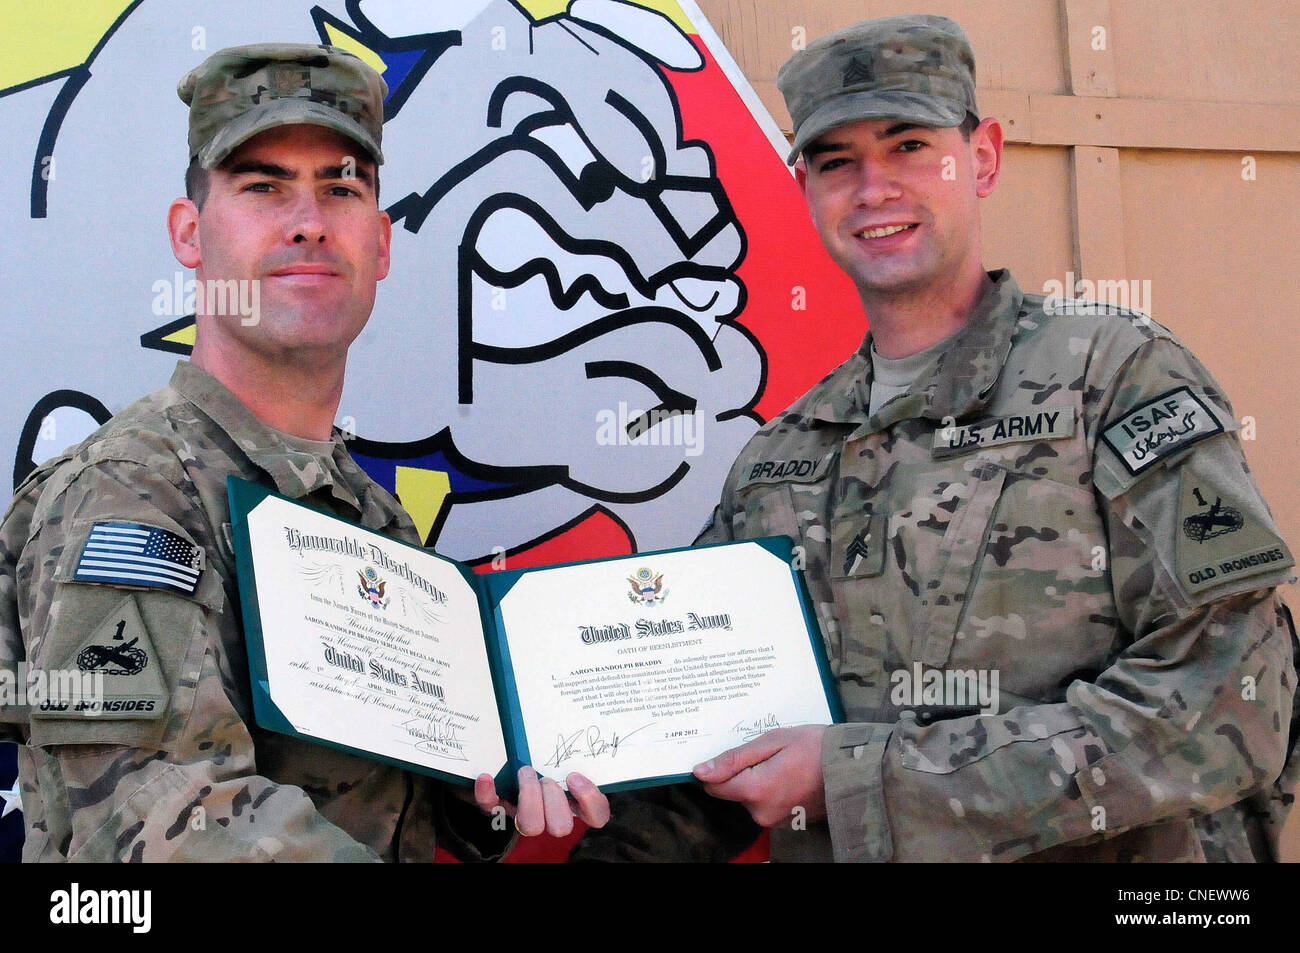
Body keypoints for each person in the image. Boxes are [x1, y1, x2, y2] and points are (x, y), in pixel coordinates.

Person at [572, 14, 1299, 862]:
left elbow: (1228, 705)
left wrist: (861, 778)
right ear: (804, 187)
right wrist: (573, 773)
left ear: (981, 157)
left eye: (909, 145)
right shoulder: (779, 462)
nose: (873, 188)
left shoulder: (1117, 377)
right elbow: (711, 752)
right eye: (837, 162)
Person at [0, 42, 607, 861]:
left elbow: (385, 808)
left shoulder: (373, 521)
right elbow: (146, 816)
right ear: (189, 234)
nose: (310, 221)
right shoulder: (124, 494)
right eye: (263, 186)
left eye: (341, 187)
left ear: (381, 246)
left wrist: (482, 800)